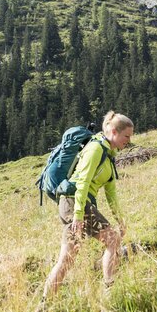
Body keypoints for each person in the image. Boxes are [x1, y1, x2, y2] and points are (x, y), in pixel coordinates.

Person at [42, 111, 133, 300]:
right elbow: (82, 182)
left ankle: (45, 303)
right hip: (73, 200)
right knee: (111, 240)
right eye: (127, 136)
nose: (129, 140)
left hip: (79, 203)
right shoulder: (96, 149)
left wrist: (120, 220)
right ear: (114, 132)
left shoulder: (108, 155)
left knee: (69, 256)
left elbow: (111, 193)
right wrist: (77, 215)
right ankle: (109, 290)